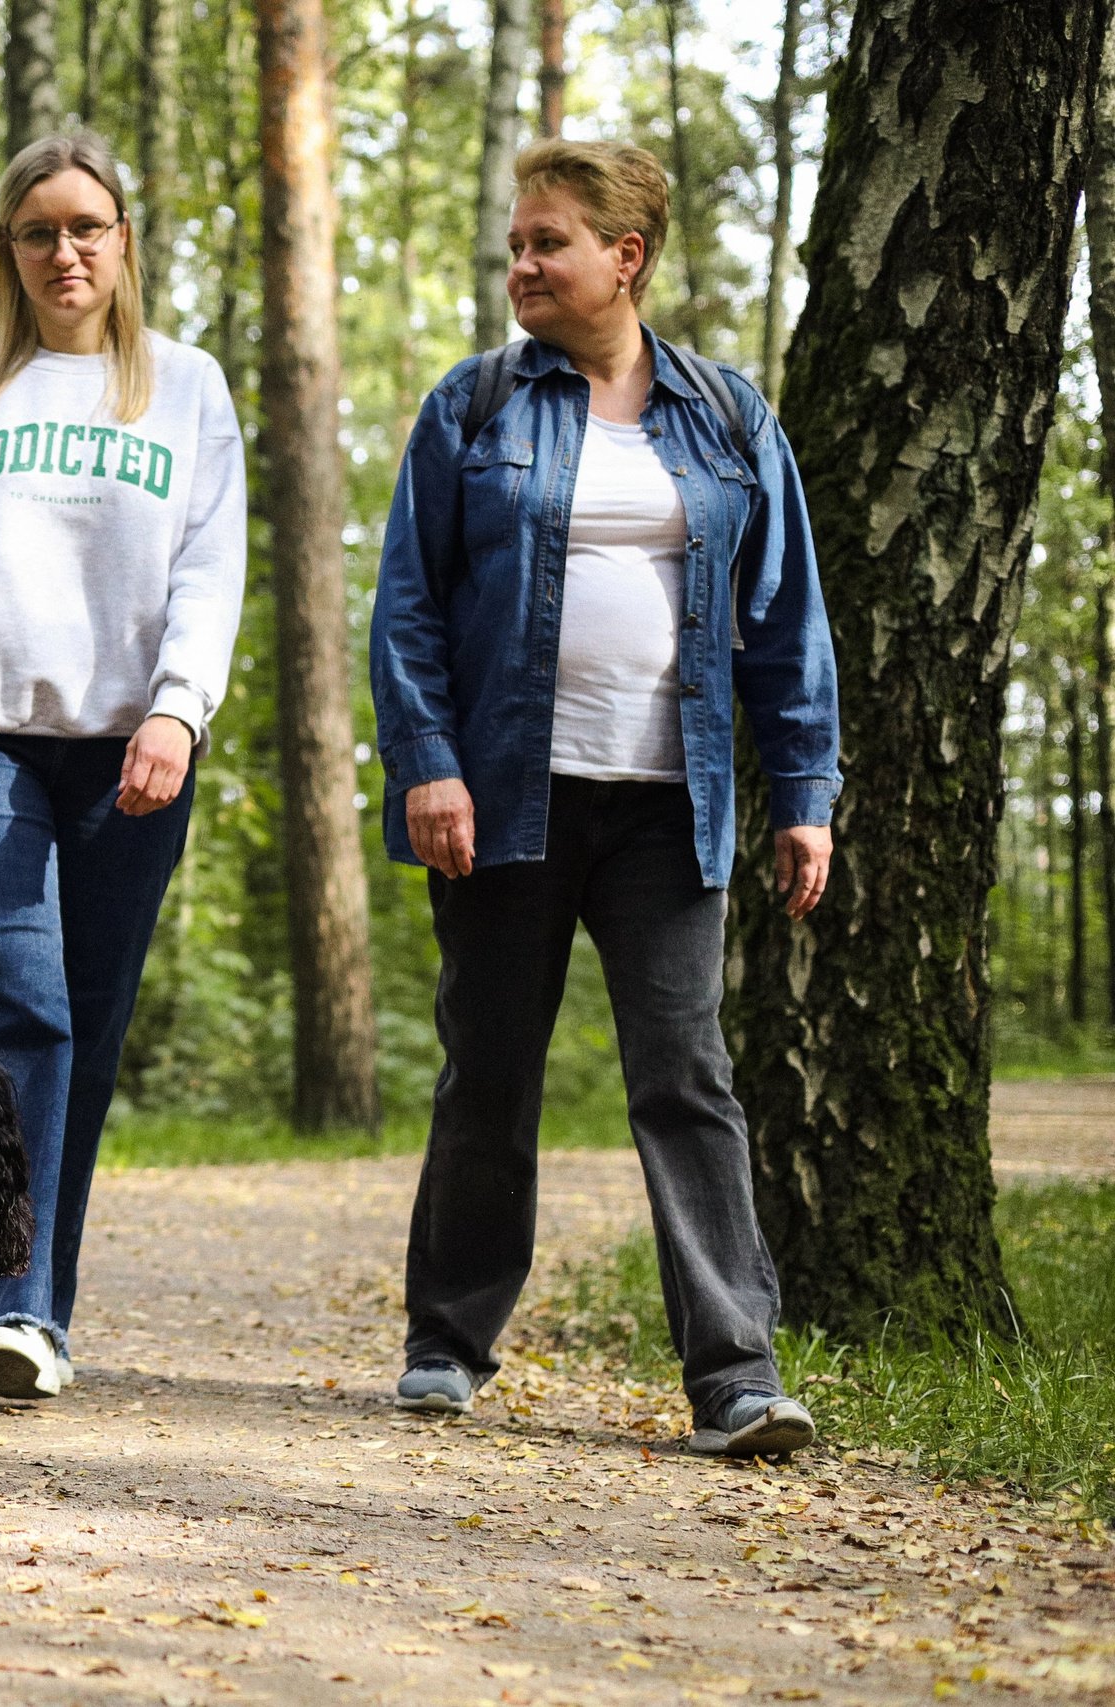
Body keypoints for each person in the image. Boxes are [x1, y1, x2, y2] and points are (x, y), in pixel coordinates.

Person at [368, 140, 839, 1457]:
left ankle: (737, 1374)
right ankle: (447, 1343)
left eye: (548, 242)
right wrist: (431, 763)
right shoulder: (470, 409)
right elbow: (406, 606)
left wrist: (804, 789)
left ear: (624, 258)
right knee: (490, 1071)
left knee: (686, 1075)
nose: (521, 264)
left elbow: (786, 620)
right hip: (510, 799)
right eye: (516, 243)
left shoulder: (730, 416)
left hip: (667, 808)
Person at [0, 131, 246, 1401]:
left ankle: (44, 1311)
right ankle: (11, 1306)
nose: (63, 250)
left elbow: (208, 569)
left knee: (94, 1025)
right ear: (7, 252)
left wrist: (178, 711)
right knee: (24, 1015)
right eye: (35, 232)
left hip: (133, 749)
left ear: (124, 240)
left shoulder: (184, 388)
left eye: (86, 226)